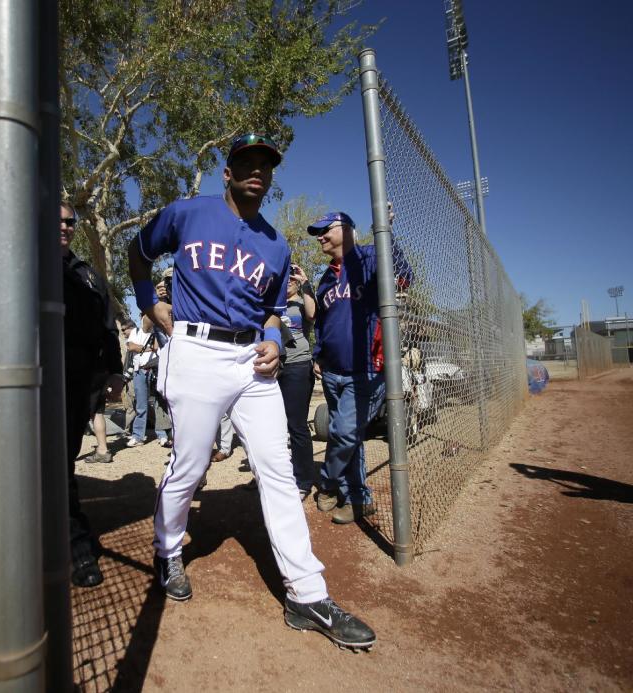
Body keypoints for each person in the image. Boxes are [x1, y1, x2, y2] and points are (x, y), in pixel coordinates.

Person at [127, 133, 375, 649]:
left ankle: (307, 595)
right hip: (195, 351)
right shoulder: (187, 213)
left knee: (278, 471)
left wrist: (272, 342)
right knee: (191, 466)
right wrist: (151, 305)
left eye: (265, 163)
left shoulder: (276, 244)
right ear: (228, 171)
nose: (257, 170)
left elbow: (273, 310)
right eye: (246, 161)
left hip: (252, 364)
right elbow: (138, 252)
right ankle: (167, 547)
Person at [308, 210, 412, 525]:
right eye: (318, 233)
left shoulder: (369, 256)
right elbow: (323, 323)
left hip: (366, 369)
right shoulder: (325, 278)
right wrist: (318, 354)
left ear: (348, 229)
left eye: (326, 229)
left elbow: (404, 275)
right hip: (332, 371)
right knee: (349, 438)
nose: (321, 236)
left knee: (343, 431)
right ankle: (357, 498)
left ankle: (327, 482)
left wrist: (386, 233)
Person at [61, 201, 125, 587]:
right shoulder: (25, 264)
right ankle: (73, 544)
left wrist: (115, 370)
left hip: (78, 384)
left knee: (62, 463)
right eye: (57, 221)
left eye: (70, 221)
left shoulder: (88, 275)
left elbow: (109, 326)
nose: (65, 226)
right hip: (33, 383)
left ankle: (70, 542)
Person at [278, 264, 318, 500]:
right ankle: (277, 476)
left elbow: (313, 315)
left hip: (297, 366)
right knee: (274, 426)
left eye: (291, 278)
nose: (288, 281)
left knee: (297, 425)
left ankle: (303, 480)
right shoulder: (274, 303)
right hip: (275, 367)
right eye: (286, 277)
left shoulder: (303, 302)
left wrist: (304, 282)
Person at [125, 316, 169, 447]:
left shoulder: (158, 331)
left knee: (159, 403)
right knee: (141, 405)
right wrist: (148, 347)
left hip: (156, 369)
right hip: (140, 370)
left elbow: (157, 347)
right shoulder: (136, 331)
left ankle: (162, 434)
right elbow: (131, 347)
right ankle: (138, 436)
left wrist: (143, 347)